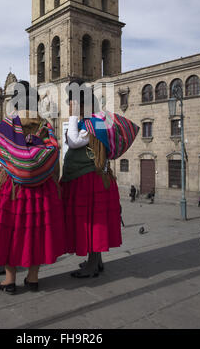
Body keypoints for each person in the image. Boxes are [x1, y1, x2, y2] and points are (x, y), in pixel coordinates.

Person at [0, 81, 65, 294]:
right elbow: (55, 161)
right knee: (36, 234)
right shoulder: (45, 127)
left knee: (8, 233)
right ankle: (33, 279)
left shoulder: (3, 127)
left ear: (14, 102)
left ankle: (9, 279)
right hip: (41, 189)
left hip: (8, 190)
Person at [61, 81, 139, 277]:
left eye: (71, 101)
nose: (68, 104)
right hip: (88, 179)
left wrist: (71, 116)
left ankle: (92, 265)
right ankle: (96, 261)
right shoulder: (92, 122)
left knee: (91, 223)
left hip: (89, 181)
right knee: (91, 221)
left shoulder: (93, 123)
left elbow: (73, 141)